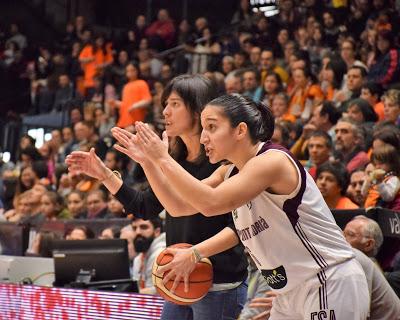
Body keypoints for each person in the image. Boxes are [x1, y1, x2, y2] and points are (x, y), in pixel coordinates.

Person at [131, 94, 369, 319]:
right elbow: (177, 207)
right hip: (290, 291)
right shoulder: (228, 171)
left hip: (327, 278)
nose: (203, 137)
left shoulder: (272, 161)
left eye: (211, 127)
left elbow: (210, 204)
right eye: (203, 129)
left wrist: (164, 158)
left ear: (240, 130)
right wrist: (150, 162)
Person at [66, 75, 248, 320]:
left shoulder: (224, 161)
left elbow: (238, 227)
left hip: (217, 283)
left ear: (198, 110)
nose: (165, 111)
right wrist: (105, 175)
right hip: (175, 279)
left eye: (174, 104)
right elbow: (145, 207)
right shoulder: (172, 160)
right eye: (164, 104)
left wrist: (195, 254)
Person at [131, 217, 166, 294]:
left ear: (157, 231)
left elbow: (160, 290)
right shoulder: (139, 258)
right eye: (134, 228)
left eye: (144, 227)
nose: (138, 232)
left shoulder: (161, 254)